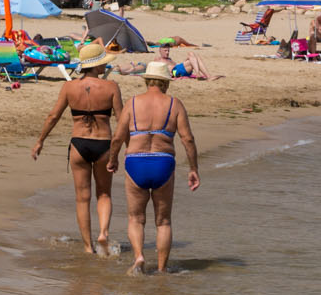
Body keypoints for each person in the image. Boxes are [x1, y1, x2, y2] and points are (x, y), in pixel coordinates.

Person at [107, 61, 201, 274]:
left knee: (136, 218)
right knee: (163, 221)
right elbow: (188, 139)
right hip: (163, 162)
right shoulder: (175, 104)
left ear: (147, 80)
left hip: (136, 162)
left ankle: (139, 257)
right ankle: (161, 270)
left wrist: (113, 159)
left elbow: (118, 138)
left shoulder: (132, 103)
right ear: (165, 83)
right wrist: (193, 168)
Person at [31, 42, 124, 255]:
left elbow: (53, 116)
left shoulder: (69, 87)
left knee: (82, 197)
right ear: (97, 65)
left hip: (79, 144)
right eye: (103, 63)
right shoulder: (111, 88)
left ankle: (88, 247)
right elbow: (122, 120)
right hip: (103, 144)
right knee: (104, 194)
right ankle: (103, 232)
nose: (105, 67)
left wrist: (40, 141)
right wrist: (120, 149)